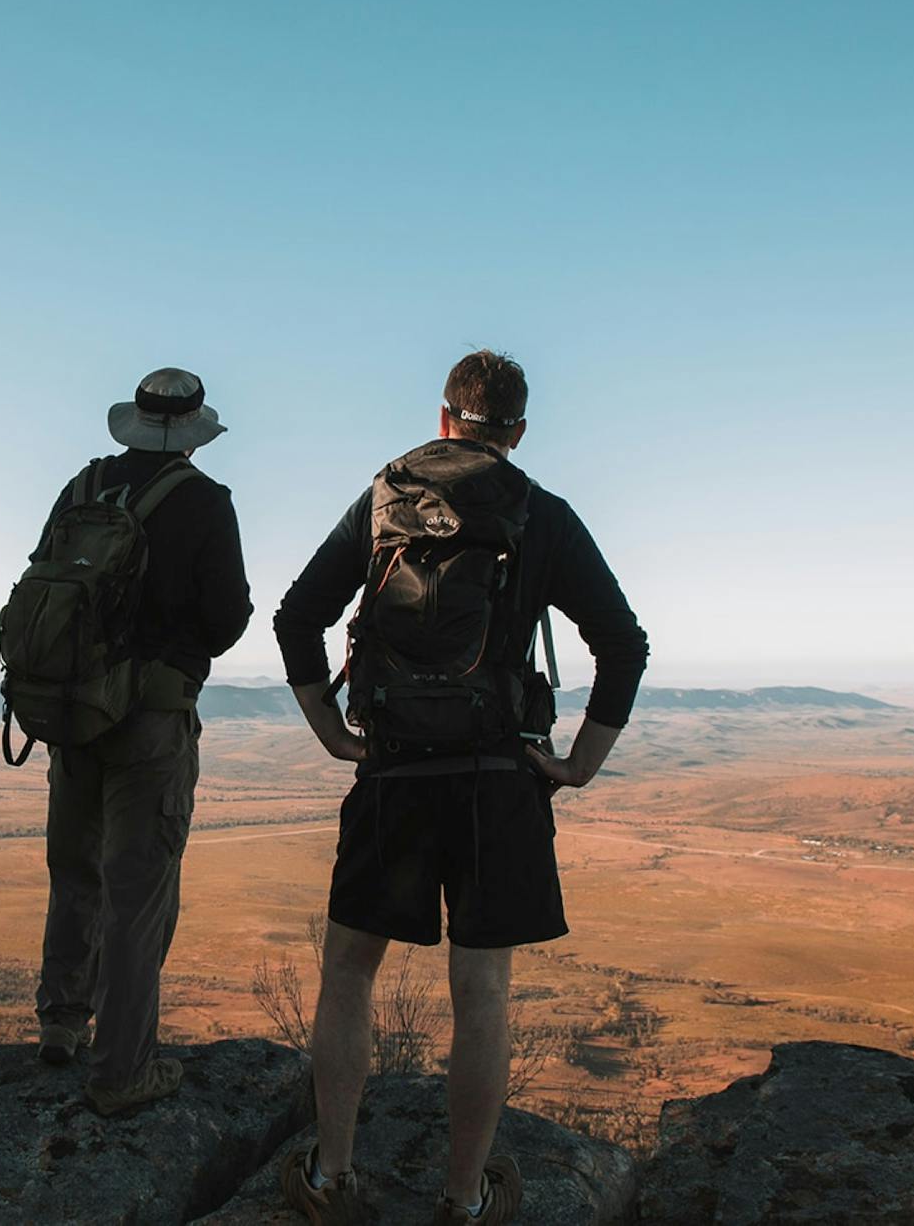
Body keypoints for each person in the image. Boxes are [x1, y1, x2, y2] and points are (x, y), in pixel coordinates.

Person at [271, 350, 649, 1224]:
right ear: (516, 432)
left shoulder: (381, 503)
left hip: (393, 769)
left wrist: (330, 729)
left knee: (348, 975)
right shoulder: (541, 514)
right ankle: (465, 1199)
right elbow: (622, 643)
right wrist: (582, 760)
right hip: (497, 779)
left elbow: (298, 615)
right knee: (481, 993)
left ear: (443, 419)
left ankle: (332, 1180)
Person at [29, 367, 253, 1116]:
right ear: (191, 429)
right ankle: (122, 1071)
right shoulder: (204, 502)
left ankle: (61, 1023)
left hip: (72, 708)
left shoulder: (86, 486)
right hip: (150, 718)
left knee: (75, 868)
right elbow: (227, 619)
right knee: (139, 893)